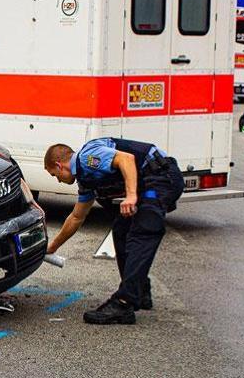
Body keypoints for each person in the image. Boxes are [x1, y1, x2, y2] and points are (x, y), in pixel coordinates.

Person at [44, 138, 184, 325]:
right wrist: (52, 247)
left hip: (161, 176)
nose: (59, 181)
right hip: (150, 182)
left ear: (59, 165)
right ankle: (139, 291)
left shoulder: (86, 158)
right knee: (121, 231)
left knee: (142, 232)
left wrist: (132, 196)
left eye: (55, 175)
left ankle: (124, 302)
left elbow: (125, 159)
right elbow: (77, 217)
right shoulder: (86, 180)